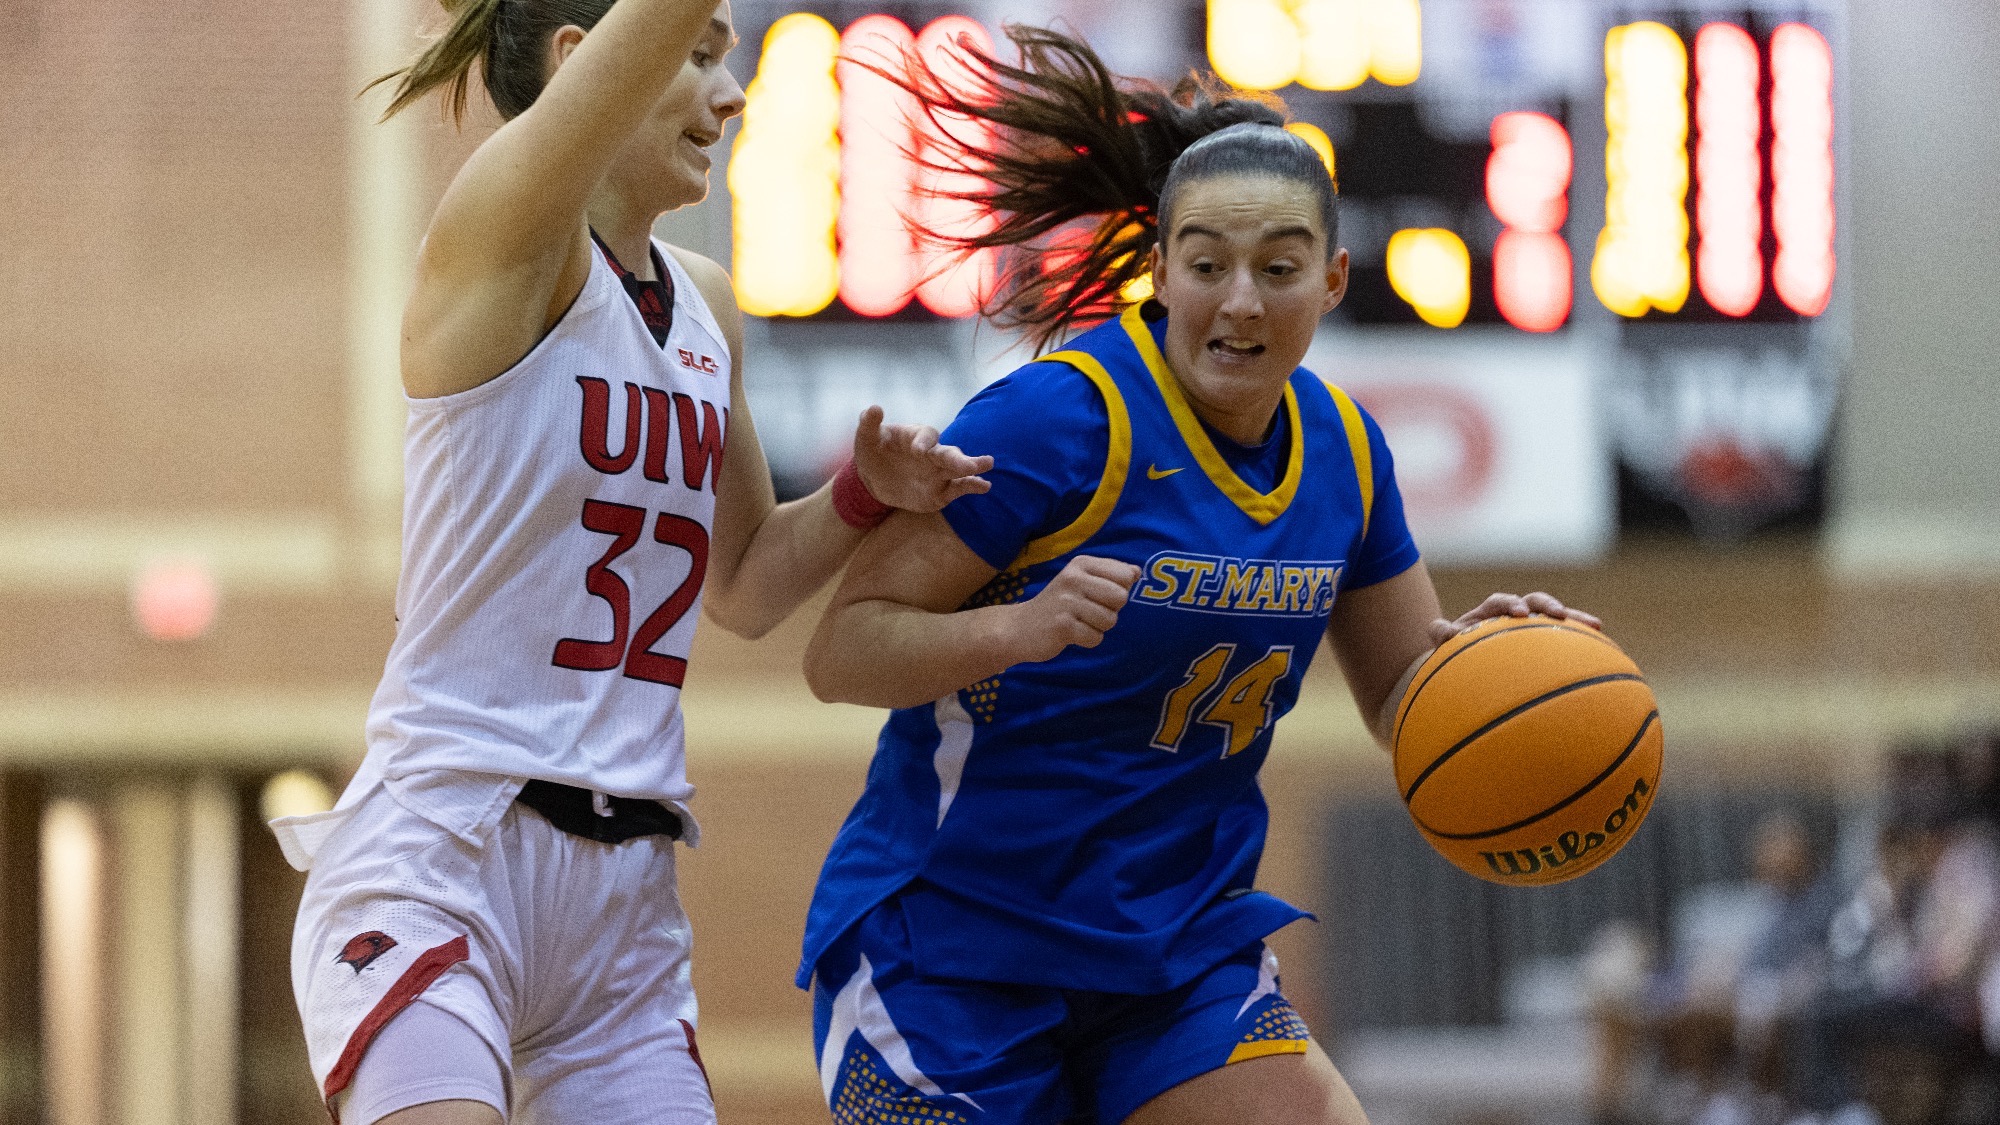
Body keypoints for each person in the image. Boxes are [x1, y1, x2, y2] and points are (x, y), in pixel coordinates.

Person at [797, 26, 1601, 1125]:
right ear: (1161, 268)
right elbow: (839, 652)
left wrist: (1495, 663)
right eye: (1207, 265)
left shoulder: (1349, 456)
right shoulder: (1056, 421)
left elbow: (1407, 700)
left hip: (1174, 951)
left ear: (1330, 279)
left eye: (1276, 270)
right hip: (952, 947)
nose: (1239, 303)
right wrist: (1014, 632)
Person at [267, 1, 993, 1123]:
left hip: (624, 897)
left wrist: (858, 499)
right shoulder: (505, 241)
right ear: (584, 60)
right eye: (700, 52)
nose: (735, 92)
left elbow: (744, 586)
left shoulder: (705, 307)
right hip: (448, 854)